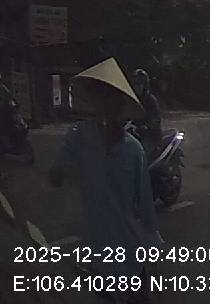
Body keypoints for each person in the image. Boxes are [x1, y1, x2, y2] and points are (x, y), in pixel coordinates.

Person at [50, 58, 161, 302]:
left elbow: (145, 208)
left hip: (130, 251)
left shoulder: (134, 150)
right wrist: (61, 171)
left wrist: (151, 253)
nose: (105, 105)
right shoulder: (79, 137)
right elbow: (56, 175)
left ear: (120, 105)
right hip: (97, 252)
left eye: (111, 99)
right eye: (99, 97)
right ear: (93, 102)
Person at [132, 68, 163, 153]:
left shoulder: (151, 101)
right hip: (135, 135)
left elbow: (155, 119)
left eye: (139, 84)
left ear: (145, 86)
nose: (136, 87)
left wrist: (145, 127)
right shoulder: (132, 100)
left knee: (141, 152)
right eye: (134, 84)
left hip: (150, 138)